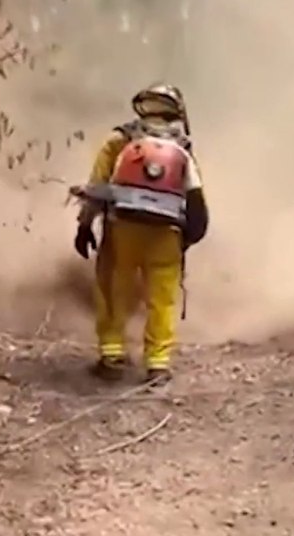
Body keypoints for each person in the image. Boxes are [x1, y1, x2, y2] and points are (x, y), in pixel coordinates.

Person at [71, 83, 209, 386]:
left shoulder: (119, 140)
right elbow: (197, 204)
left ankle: (112, 355)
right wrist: (187, 238)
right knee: (163, 298)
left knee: (112, 286)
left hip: (123, 228)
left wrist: (84, 227)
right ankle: (158, 364)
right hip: (166, 235)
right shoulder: (182, 148)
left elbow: (97, 187)